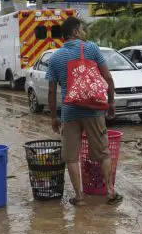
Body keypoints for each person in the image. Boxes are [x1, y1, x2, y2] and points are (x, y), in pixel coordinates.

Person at [45, 17, 123, 206]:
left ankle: (79, 197)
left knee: (71, 156)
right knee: (103, 153)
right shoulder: (91, 49)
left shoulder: (55, 57)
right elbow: (108, 79)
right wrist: (111, 103)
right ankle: (110, 193)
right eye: (82, 29)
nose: (85, 32)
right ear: (75, 31)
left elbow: (51, 91)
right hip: (93, 111)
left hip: (69, 112)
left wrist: (54, 117)